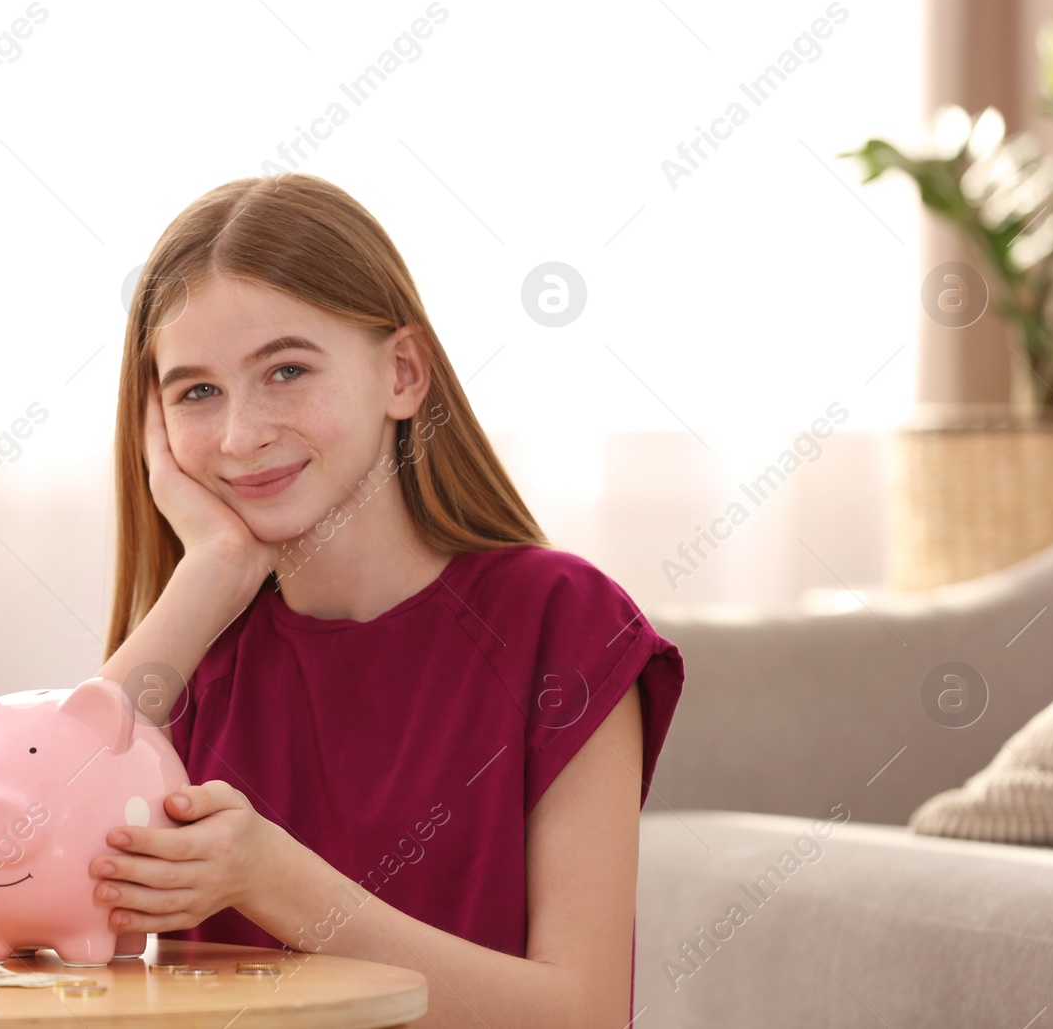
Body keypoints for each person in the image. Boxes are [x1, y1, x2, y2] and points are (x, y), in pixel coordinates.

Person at [89, 172, 684, 1025]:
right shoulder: (194, 651)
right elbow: (15, 864)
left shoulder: (564, 622)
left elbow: (581, 1012)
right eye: (197, 392)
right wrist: (211, 570)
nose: (240, 435)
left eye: (285, 369)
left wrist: (276, 882)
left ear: (403, 373)